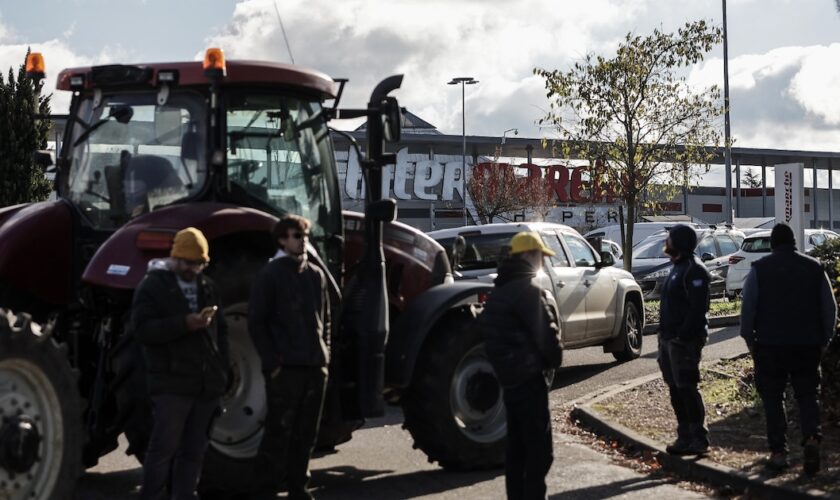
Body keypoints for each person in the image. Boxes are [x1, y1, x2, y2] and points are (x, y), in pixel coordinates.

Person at [132, 227, 230, 500]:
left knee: (194, 452)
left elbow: (221, 333)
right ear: (175, 257)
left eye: (198, 264)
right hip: (171, 384)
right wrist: (184, 324)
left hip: (204, 384)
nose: (193, 268)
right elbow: (142, 330)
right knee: (163, 450)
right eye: (188, 262)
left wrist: (223, 372)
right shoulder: (152, 286)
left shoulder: (207, 287)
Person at [740, 223, 837, 474]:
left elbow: (748, 309)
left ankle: (779, 452)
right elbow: (830, 308)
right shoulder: (814, 268)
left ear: (772, 243)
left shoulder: (759, 270)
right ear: (794, 241)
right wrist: (824, 340)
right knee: (807, 395)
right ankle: (812, 440)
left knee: (773, 399)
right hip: (807, 344)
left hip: (769, 345)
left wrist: (750, 340)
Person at [248, 215, 330, 500]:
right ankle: (264, 491)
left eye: (305, 235)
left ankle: (299, 489)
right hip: (286, 369)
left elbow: (325, 320)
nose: (303, 240)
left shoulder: (315, 275)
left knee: (306, 434)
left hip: (314, 366)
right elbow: (256, 322)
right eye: (297, 235)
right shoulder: (269, 275)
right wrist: (272, 364)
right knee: (278, 434)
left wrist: (324, 354)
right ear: (283, 239)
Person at [477, 231, 562, 500]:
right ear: (528, 256)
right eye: (540, 256)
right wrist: (553, 360)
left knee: (516, 450)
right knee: (540, 452)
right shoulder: (528, 291)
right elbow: (547, 337)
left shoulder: (499, 291)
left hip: (510, 381)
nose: (541, 262)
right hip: (529, 380)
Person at [658, 224, 711, 456]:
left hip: (684, 342)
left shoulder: (694, 270)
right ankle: (684, 435)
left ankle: (699, 438)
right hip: (669, 340)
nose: (666, 241)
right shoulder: (677, 267)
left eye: (669, 238)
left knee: (687, 388)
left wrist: (683, 335)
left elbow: (699, 308)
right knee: (675, 389)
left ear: (678, 242)